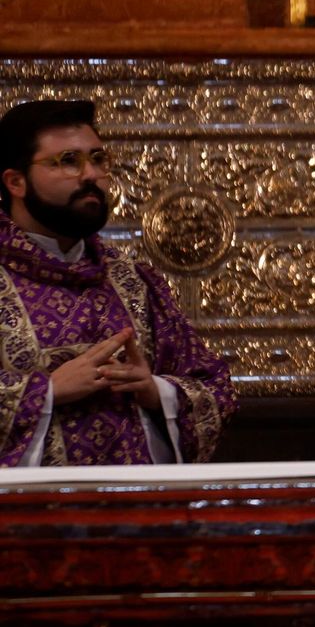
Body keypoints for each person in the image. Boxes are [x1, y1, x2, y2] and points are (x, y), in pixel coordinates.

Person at [0, 100, 236, 466]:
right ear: (15, 181)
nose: (90, 174)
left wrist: (156, 392)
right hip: (26, 517)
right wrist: (45, 393)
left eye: (98, 159)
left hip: (138, 511)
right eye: (68, 161)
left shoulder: (131, 279)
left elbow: (213, 387)